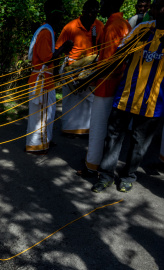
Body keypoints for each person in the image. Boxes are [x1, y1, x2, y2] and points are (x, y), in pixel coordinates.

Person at [91, 0, 164, 193]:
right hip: (126, 95)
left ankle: (128, 176)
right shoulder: (142, 28)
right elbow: (120, 52)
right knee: (113, 137)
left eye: (161, 6)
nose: (156, 9)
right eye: (156, 6)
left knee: (139, 143)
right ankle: (105, 175)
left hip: (152, 102)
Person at [77, 0, 131, 177]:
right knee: (108, 128)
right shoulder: (124, 24)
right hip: (117, 85)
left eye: (103, 3)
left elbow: (109, 65)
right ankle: (100, 164)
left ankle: (92, 166)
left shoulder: (113, 27)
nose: (100, 7)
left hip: (106, 85)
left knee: (98, 128)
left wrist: (87, 79)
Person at [26, 0, 72, 154]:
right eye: (59, 11)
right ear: (51, 13)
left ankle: (45, 140)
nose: (61, 16)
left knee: (49, 113)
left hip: (46, 80)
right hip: (42, 81)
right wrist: (63, 48)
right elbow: (48, 59)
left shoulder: (48, 30)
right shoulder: (46, 32)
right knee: (41, 114)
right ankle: (36, 145)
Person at [55, 0, 104, 136]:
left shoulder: (98, 26)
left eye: (94, 12)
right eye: (88, 12)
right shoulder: (70, 27)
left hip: (90, 69)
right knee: (70, 101)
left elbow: (102, 47)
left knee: (87, 103)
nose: (91, 15)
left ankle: (85, 130)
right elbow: (58, 49)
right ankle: (69, 130)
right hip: (71, 68)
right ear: (82, 11)